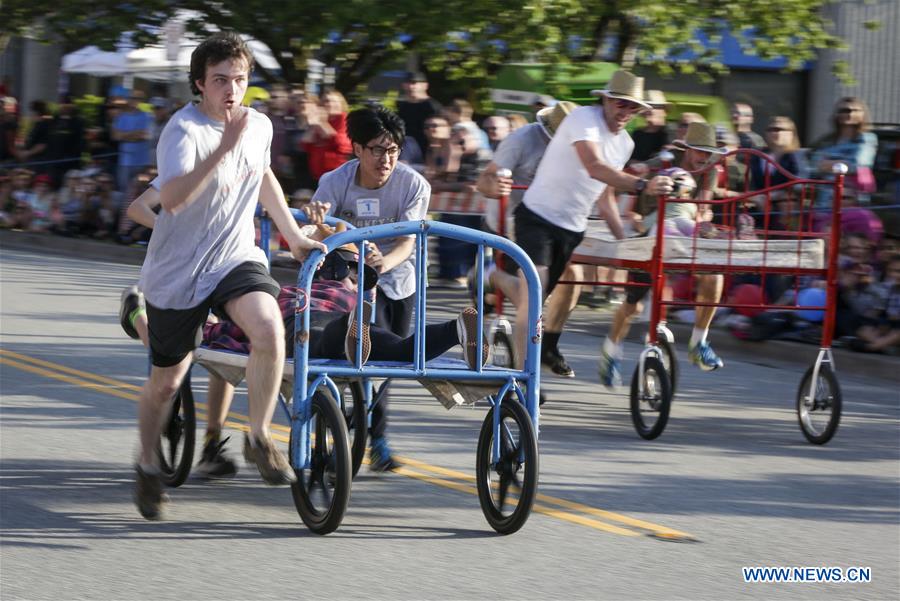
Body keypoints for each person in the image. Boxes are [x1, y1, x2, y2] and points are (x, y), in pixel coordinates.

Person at [132, 32, 326, 521]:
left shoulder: (256, 125)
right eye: (220, 81)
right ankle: (148, 462)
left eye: (239, 80)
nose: (232, 90)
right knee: (166, 383)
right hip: (177, 272)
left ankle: (258, 435)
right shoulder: (184, 130)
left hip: (234, 256)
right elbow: (173, 198)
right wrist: (223, 147)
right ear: (200, 84)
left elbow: (262, 177)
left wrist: (293, 238)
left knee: (268, 328)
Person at [509, 70, 673, 395]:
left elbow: (604, 192)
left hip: (572, 228)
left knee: (555, 294)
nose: (625, 111)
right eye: (620, 103)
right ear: (606, 99)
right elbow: (595, 166)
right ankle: (520, 378)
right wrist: (643, 184)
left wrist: (625, 243)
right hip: (537, 216)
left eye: (632, 107)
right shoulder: (583, 118)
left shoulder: (625, 143)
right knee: (534, 294)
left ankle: (539, 343)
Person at [313, 104, 430, 471]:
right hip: (352, 284)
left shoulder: (413, 184)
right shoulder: (336, 181)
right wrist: (323, 227)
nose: (386, 158)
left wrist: (385, 263)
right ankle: (349, 434)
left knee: (391, 359)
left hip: (399, 279)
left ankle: (376, 436)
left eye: (393, 149)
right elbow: (323, 228)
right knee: (360, 354)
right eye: (377, 149)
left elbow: (409, 241)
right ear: (358, 149)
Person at [599, 122, 728, 388]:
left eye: (707, 153)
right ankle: (611, 353)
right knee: (633, 305)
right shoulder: (662, 163)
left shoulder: (710, 171)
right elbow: (627, 187)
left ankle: (699, 342)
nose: (703, 157)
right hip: (650, 231)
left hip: (684, 231)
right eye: (698, 151)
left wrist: (704, 221)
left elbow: (703, 207)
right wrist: (634, 215)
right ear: (686, 149)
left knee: (714, 276)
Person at [475, 100, 582, 377]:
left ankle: (549, 345)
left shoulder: (583, 145)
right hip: (512, 218)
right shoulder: (522, 139)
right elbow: (484, 181)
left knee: (573, 278)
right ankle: (492, 277)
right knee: (532, 292)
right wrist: (494, 186)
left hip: (553, 222)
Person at [810, 97, 879, 209]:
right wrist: (842, 163)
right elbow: (814, 165)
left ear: (863, 115)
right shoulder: (827, 140)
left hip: (851, 199)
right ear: (836, 115)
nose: (849, 114)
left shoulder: (867, 138)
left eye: (855, 110)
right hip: (825, 199)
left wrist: (827, 164)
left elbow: (857, 166)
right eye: (844, 110)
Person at [301, 89, 352, 184]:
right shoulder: (321, 119)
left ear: (341, 104)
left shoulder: (345, 120)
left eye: (333, 101)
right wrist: (315, 123)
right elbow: (305, 145)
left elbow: (340, 143)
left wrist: (321, 123)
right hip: (317, 174)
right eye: (325, 101)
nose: (329, 104)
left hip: (336, 173)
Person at [112, 90, 153, 193]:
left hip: (142, 161)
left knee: (140, 191)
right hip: (125, 161)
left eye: (139, 99)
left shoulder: (147, 116)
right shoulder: (121, 117)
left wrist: (125, 135)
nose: (136, 101)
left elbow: (145, 135)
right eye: (133, 98)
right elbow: (115, 136)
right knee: (124, 190)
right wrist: (135, 135)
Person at [396, 71, 442, 157]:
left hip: (426, 152)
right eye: (408, 83)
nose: (411, 86)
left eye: (414, 83)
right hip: (404, 150)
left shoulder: (432, 107)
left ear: (425, 86)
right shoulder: (402, 106)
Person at [630, 90, 670, 162]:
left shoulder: (670, 134)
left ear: (664, 110)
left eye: (655, 106)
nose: (649, 109)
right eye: (646, 106)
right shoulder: (637, 134)